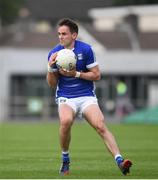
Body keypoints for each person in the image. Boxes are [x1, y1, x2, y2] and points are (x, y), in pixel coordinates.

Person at [47, 18, 132, 176]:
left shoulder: (86, 50)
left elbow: (97, 75)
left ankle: (120, 160)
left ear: (74, 35)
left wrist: (76, 74)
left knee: (100, 125)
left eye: (64, 34)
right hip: (66, 96)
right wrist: (51, 69)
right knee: (65, 121)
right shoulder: (53, 53)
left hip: (86, 96)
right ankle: (65, 159)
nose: (60, 37)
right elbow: (52, 84)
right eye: (59, 34)